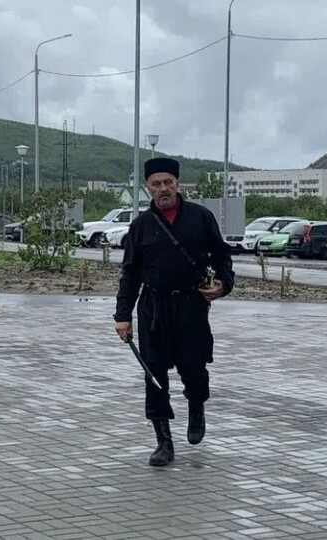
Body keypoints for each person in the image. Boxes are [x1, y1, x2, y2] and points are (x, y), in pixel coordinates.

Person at [113, 157, 234, 467]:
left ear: (178, 184)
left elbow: (222, 256)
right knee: (154, 375)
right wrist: (122, 316)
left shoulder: (200, 217)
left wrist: (223, 284)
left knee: (194, 368)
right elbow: (130, 275)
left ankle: (196, 406)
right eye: (156, 184)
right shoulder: (140, 226)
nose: (163, 188)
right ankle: (163, 441)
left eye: (168, 182)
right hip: (153, 309)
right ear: (147, 188)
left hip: (191, 306)